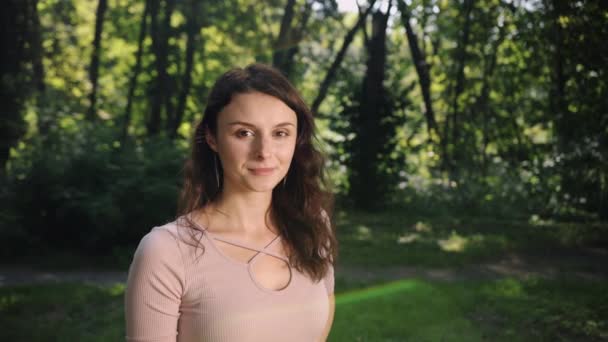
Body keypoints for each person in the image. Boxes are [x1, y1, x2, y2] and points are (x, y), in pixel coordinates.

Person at [125, 63, 337, 342]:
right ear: (212, 137)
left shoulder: (311, 224)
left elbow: (325, 309)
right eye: (244, 133)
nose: (264, 152)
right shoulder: (166, 252)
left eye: (280, 133)